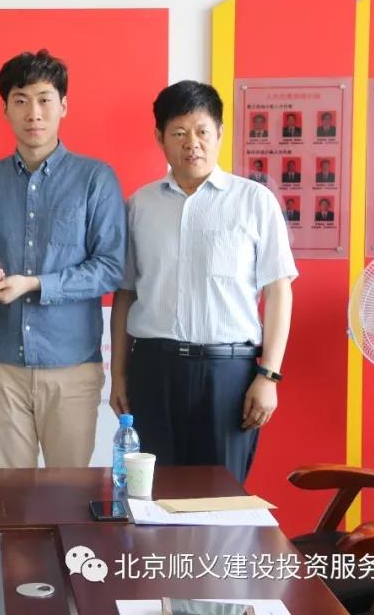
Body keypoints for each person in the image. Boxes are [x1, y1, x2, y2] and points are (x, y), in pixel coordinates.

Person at [109, 80, 297, 484]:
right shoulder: (140, 205)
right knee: (154, 495)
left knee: (221, 495)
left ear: (219, 133)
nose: (191, 143)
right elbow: (125, 294)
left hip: (228, 373)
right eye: (178, 133)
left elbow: (279, 290)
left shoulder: (254, 201)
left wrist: (269, 376)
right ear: (160, 137)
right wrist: (118, 375)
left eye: (201, 131)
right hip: (153, 369)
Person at [0, 49, 125, 468]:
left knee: (68, 493)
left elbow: (111, 268)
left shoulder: (95, 178)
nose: (33, 113)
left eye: (44, 99)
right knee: (8, 494)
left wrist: (36, 285)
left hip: (71, 365)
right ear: (5, 109)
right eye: (21, 100)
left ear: (63, 106)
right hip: (1, 363)